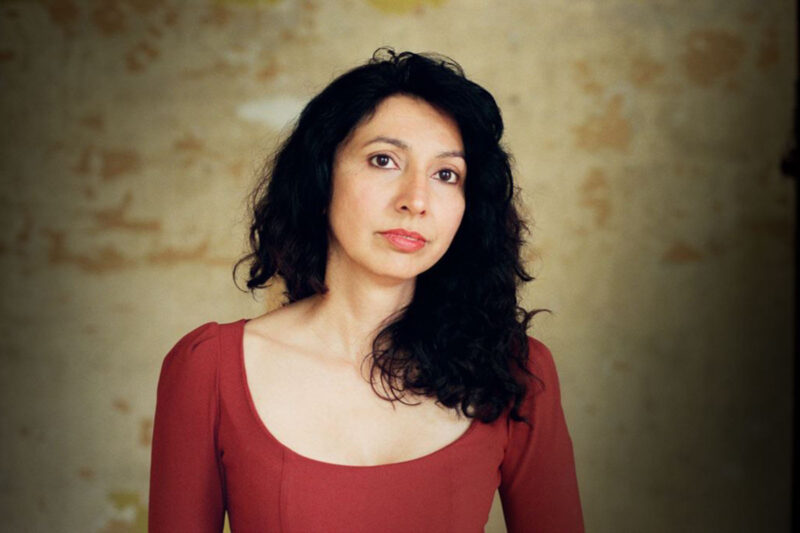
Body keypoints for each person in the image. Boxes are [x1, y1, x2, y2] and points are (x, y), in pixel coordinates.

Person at [148, 48, 584, 532]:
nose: (416, 200)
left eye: (446, 174)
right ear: (320, 180)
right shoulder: (208, 368)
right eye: (384, 160)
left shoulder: (517, 372)